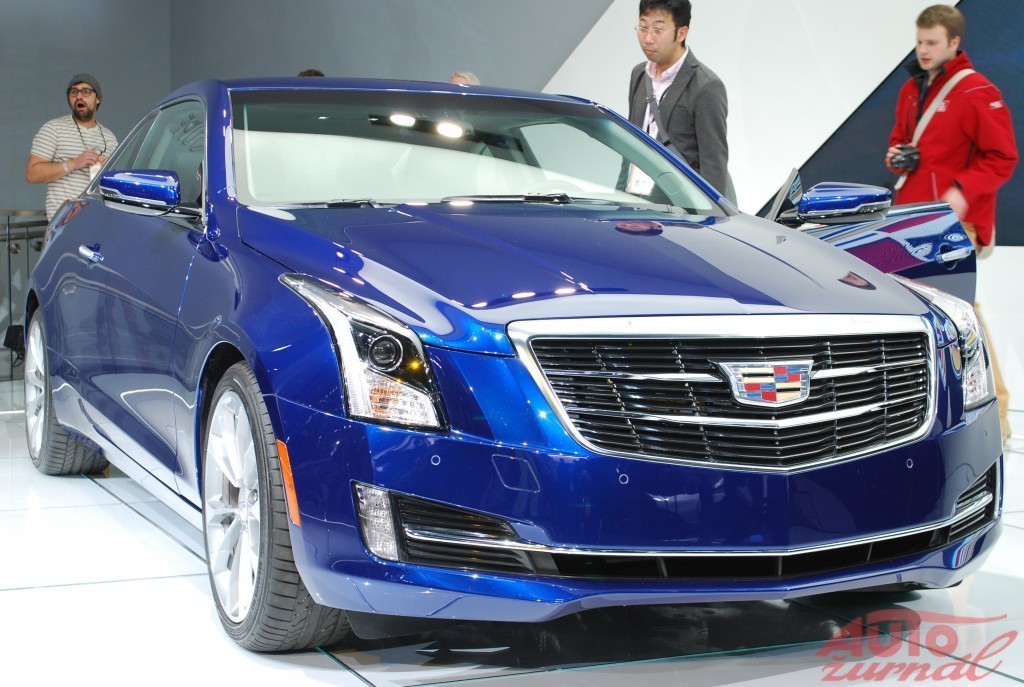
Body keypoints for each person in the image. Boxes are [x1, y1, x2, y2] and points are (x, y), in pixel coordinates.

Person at [886, 5, 1018, 442]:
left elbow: (1003, 156)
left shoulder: (977, 90)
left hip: (953, 223)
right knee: (923, 318)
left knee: (961, 315)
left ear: (954, 43)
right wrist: (896, 156)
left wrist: (961, 192)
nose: (923, 50)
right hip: (912, 220)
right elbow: (900, 140)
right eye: (919, 42)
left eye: (932, 43)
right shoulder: (911, 88)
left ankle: (997, 417)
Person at [627, 0, 733, 201]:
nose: (648, 38)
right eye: (643, 27)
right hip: (637, 202)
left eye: (658, 30)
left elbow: (714, 166)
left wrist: (707, 216)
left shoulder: (706, 86)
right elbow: (629, 146)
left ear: (681, 33)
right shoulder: (639, 74)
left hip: (680, 209)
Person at [26, 74, 118, 221]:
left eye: (86, 91)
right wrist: (74, 163)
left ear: (97, 99)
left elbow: (114, 187)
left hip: (99, 221)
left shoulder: (110, 137)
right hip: (65, 224)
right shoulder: (53, 129)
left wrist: (107, 172)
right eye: (74, 92)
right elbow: (32, 174)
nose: (79, 96)